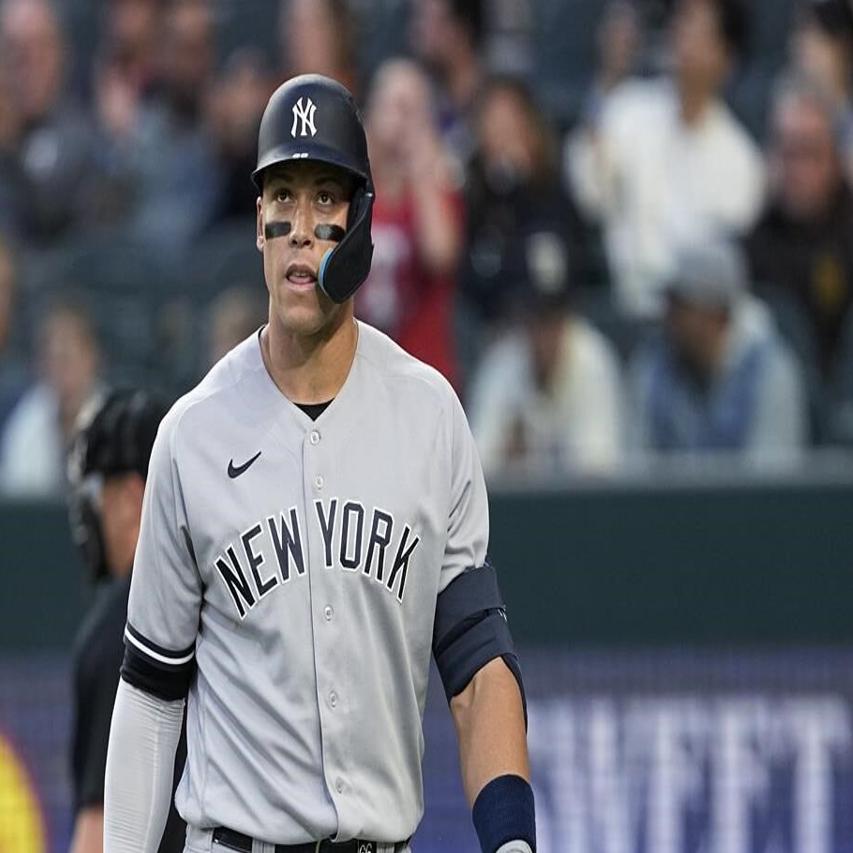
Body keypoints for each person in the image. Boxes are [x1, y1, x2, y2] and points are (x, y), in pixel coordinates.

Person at [103, 74, 535, 853]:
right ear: (257, 224)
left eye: (325, 199)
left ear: (363, 224)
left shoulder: (429, 415)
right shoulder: (190, 435)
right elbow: (151, 694)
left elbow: (476, 666)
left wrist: (511, 841)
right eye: (283, 198)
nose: (301, 228)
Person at [566, 0, 765, 317]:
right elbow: (588, 193)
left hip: (695, 322)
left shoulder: (742, 161)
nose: (681, 34)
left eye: (697, 28)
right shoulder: (627, 108)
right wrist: (609, 77)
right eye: (680, 22)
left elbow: (716, 266)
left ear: (725, 58)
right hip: (623, 310)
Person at [67, 389, 186, 853]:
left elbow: (98, 835)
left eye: (98, 492)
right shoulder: (220, 604)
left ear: (132, 497)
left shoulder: (121, 625)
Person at [628, 240, 807, 463]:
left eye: (682, 307)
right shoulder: (651, 364)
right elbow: (635, 467)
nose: (669, 317)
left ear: (718, 317)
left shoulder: (771, 371)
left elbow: (772, 484)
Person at [468, 232, 624, 477]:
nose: (545, 331)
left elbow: (597, 475)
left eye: (554, 314)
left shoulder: (594, 360)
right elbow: (475, 472)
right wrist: (506, 460)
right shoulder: (501, 363)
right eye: (536, 315)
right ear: (520, 314)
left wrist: (530, 459)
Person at [358, 58, 463, 385]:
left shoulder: (438, 190)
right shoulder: (349, 195)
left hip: (422, 371)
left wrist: (422, 168)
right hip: (360, 373)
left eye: (414, 110)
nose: (404, 122)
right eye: (396, 107)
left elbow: (441, 255)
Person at [746, 74, 853, 380]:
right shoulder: (754, 242)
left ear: (834, 158)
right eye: (786, 151)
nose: (795, 169)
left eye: (808, 152)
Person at [0, 297, 101, 496]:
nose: (61, 371)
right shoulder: (27, 421)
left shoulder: (113, 420)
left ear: (90, 358)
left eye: (67, 358)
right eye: (53, 359)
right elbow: (15, 503)